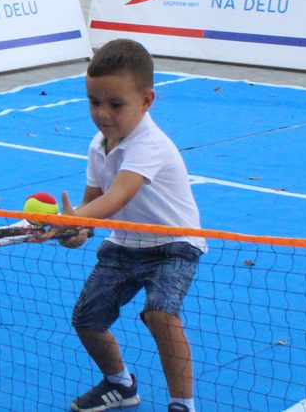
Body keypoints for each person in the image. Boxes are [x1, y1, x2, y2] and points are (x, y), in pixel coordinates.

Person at [40, 39, 206, 412]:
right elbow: (92, 208)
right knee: (87, 319)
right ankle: (120, 383)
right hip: (124, 245)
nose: (102, 113)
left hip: (174, 245)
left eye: (116, 104)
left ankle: (183, 405)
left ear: (146, 100)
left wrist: (71, 218)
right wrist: (72, 232)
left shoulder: (150, 145)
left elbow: (116, 198)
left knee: (160, 313)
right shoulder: (98, 146)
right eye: (94, 102)